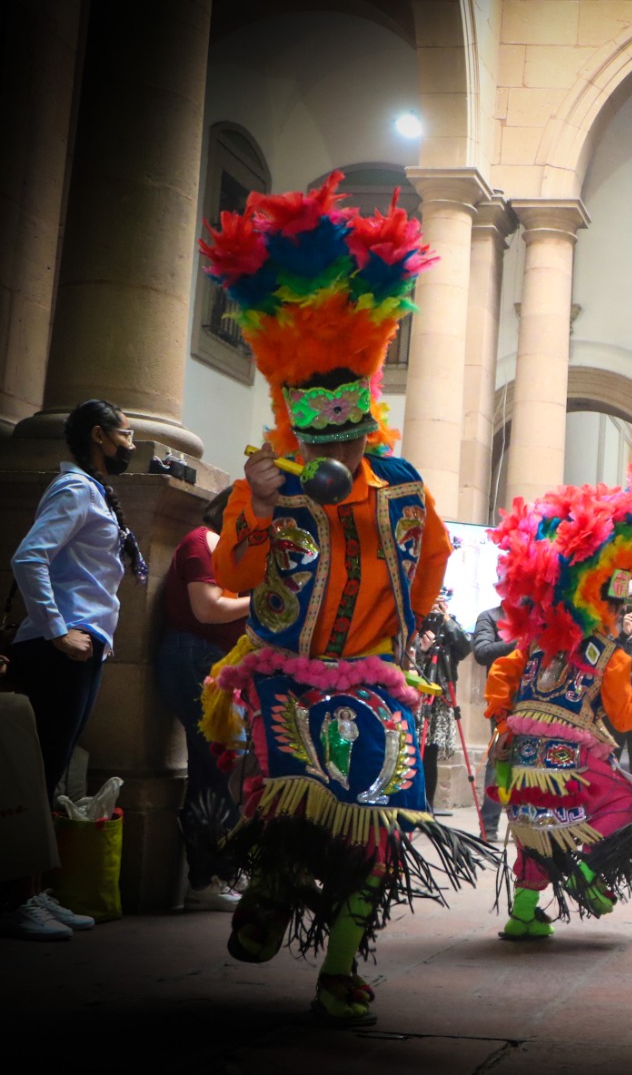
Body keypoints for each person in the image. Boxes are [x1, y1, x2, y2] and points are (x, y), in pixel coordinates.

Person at [196, 172, 495, 1026]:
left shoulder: (404, 486)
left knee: (379, 832)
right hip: (283, 673)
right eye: (316, 429)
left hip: (373, 680)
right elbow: (240, 579)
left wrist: (396, 627)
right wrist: (256, 501)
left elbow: (431, 565)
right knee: (292, 808)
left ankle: (338, 966)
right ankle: (273, 886)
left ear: (369, 422)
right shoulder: (271, 484)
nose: (333, 440)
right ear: (296, 424)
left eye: (346, 428)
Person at [483, 461, 632, 939]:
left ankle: (523, 913)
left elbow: (501, 672)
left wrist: (506, 719)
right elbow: (626, 716)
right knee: (625, 800)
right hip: (571, 760)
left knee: (534, 825)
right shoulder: (609, 654)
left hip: (521, 757)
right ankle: (585, 872)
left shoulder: (535, 642)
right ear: (608, 604)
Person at [1, 398, 143, 941]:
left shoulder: (95, 491)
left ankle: (32, 892)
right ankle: (16, 901)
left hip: (83, 648)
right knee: (34, 775)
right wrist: (58, 630)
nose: (131, 444)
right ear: (100, 436)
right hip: (58, 652)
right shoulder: (76, 490)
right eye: (125, 435)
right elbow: (28, 556)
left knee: (47, 772)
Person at [156, 489, 251, 911]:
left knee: (218, 767)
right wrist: (265, 601)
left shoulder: (228, 552)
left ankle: (218, 870)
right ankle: (206, 877)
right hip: (196, 659)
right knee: (216, 766)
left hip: (214, 664)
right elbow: (208, 609)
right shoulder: (202, 541)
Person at [411, 591, 472, 810]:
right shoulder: (414, 621)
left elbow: (465, 648)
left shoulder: (449, 623)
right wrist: (422, 648)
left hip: (440, 696)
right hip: (416, 691)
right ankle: (411, 804)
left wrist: (446, 619)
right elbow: (404, 655)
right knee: (414, 748)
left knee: (431, 753)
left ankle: (427, 807)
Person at [471, 603, 516, 839]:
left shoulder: (538, 614)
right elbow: (481, 652)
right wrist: (520, 641)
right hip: (502, 702)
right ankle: (488, 827)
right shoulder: (489, 616)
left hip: (533, 698)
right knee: (499, 760)